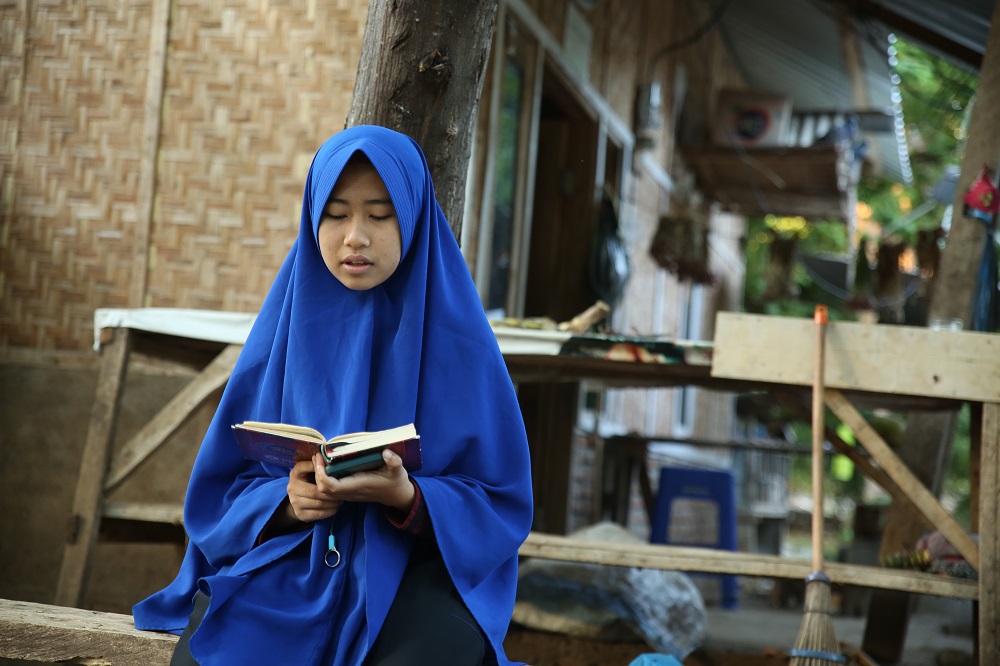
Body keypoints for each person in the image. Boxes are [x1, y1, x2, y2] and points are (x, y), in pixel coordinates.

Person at [133, 125, 534, 665]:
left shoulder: (464, 348)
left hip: (417, 572)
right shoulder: (281, 331)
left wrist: (408, 498)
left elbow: (501, 504)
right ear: (312, 217)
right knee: (219, 648)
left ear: (413, 218)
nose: (356, 236)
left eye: (380, 214)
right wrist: (288, 502)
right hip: (294, 564)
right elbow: (220, 492)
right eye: (337, 214)